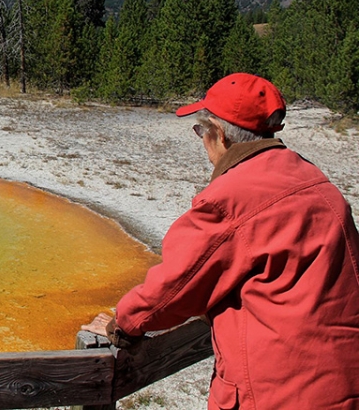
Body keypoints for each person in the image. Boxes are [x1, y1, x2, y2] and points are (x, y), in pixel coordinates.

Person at [82, 73, 359, 410]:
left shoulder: (231, 199)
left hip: (277, 394)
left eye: (201, 130)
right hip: (343, 383)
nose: (202, 141)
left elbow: (173, 287)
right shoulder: (316, 183)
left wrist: (122, 326)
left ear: (220, 135)